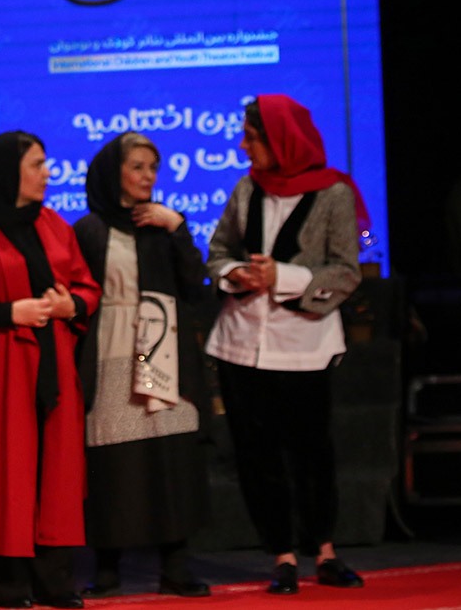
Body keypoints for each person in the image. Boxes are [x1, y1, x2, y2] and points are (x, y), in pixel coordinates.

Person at [205, 94, 365, 595]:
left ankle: (325, 551)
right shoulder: (246, 188)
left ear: (281, 140)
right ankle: (282, 555)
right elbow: (218, 252)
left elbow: (346, 271)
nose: (242, 146)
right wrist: (237, 274)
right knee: (258, 456)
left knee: (311, 452)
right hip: (241, 343)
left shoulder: (333, 194)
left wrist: (284, 277)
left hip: (303, 344)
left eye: (251, 137)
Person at [0, 131, 101, 609]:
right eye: (37, 164)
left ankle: (55, 582)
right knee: (3, 470)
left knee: (56, 473)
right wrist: (13, 311)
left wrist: (72, 304)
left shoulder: (54, 224)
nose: (47, 173)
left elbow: (87, 288)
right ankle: (3, 586)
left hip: (53, 364)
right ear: (10, 172)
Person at [72, 133, 212, 598]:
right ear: (114, 172)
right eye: (137, 167)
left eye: (153, 168)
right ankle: (107, 566)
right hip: (112, 346)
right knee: (114, 462)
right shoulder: (90, 229)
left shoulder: (165, 224)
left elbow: (195, 284)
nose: (148, 176)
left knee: (170, 458)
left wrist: (179, 228)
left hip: (165, 349)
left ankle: (176, 564)